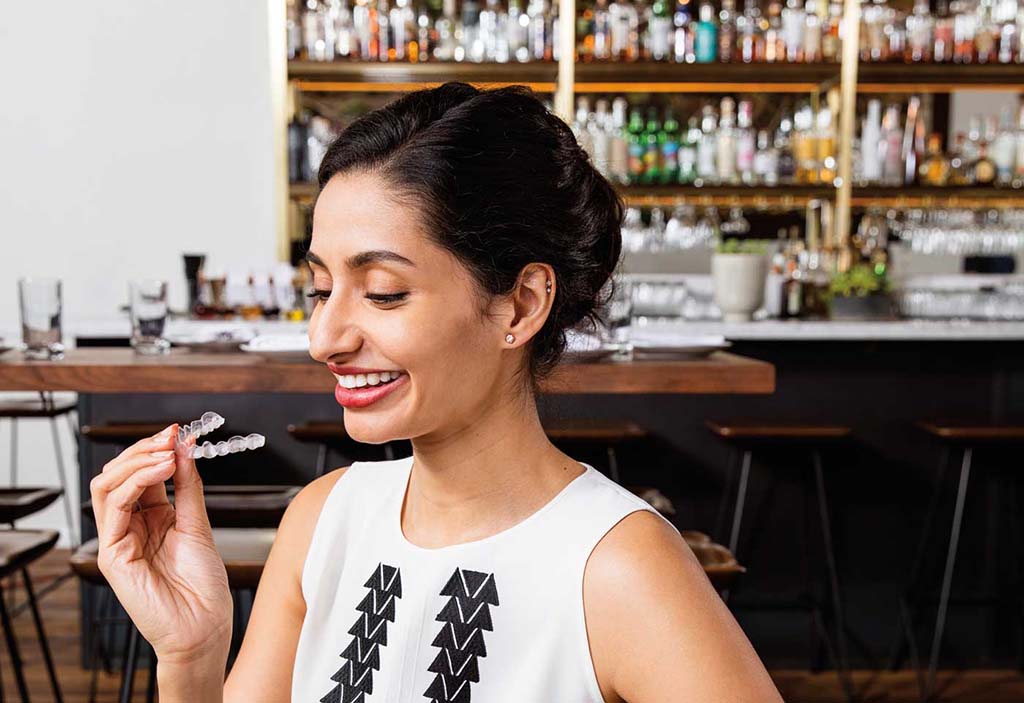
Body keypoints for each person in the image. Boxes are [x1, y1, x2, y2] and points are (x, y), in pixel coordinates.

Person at [90, 83, 783, 703]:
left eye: (384, 292)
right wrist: (191, 656)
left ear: (520, 305)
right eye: (321, 290)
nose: (324, 337)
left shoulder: (619, 567)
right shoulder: (323, 520)